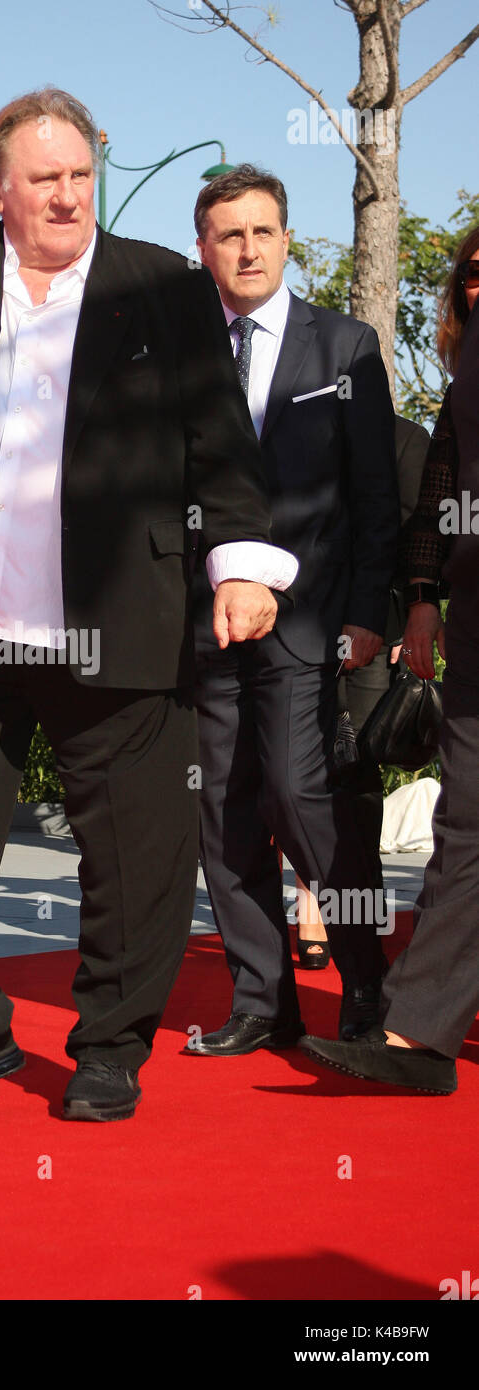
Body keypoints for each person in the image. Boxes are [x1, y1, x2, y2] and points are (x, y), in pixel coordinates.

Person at [0, 75, 297, 1121]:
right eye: (43, 178)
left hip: (115, 613)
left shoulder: (167, 286)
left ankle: (109, 1049)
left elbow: (219, 449)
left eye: (82, 174)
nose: (67, 195)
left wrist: (239, 568)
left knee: (135, 851)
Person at [184, 165, 400, 1058]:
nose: (246, 248)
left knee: (300, 797)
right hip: (202, 626)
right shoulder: (182, 351)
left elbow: (375, 498)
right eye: (228, 234)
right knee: (223, 813)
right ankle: (263, 1000)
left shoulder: (343, 346)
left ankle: (365, 982)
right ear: (204, 248)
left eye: (261, 231)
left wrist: (368, 614)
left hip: (309, 622)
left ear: (285, 239)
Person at [300, 225, 479, 1094]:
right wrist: (421, 598)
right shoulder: (463, 381)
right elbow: (440, 487)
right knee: (466, 831)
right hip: (474, 623)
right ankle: (417, 1037)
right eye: (471, 274)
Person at [294, 414, 430, 968]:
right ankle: (311, 904)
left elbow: (416, 540)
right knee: (296, 776)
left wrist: (400, 628)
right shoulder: (300, 431)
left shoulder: (405, 440)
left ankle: (356, 925)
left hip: (372, 637)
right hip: (293, 627)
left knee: (354, 784)